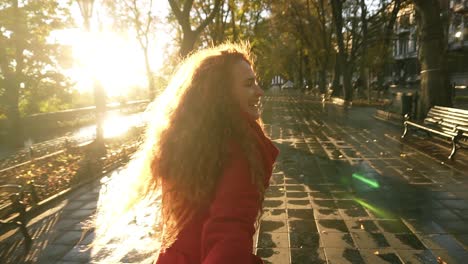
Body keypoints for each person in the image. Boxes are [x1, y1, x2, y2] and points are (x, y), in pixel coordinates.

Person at [93, 42, 279, 264]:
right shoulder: (241, 148)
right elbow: (229, 234)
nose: (259, 91)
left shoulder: (190, 142)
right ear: (222, 94)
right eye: (249, 84)